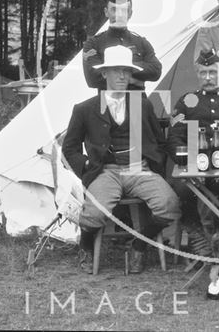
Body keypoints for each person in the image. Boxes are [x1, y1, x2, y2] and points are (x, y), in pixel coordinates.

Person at [63, 45, 180, 274]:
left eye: (126, 71)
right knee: (94, 215)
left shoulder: (143, 104)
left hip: (140, 169)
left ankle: (139, 245)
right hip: (106, 171)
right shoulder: (84, 109)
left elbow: (159, 141)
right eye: (116, 71)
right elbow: (70, 148)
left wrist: (162, 165)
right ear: (104, 74)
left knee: (170, 206)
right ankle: (85, 245)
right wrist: (86, 166)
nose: (121, 76)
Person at [167, 49, 219, 245]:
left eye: (212, 72)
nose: (208, 78)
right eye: (203, 73)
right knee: (184, 189)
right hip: (192, 168)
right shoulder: (187, 101)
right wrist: (190, 164)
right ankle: (197, 239)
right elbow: (174, 139)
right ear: (197, 75)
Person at [82, 0, 162, 91]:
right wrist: (136, 79)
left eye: (124, 10)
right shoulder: (93, 44)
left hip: (137, 102)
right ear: (106, 12)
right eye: (114, 10)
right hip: (107, 102)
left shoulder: (141, 42)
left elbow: (156, 71)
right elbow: (92, 79)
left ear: (130, 14)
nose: (119, 15)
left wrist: (111, 70)